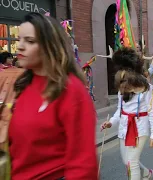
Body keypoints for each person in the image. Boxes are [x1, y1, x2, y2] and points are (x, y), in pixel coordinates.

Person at [8, 13, 98, 179]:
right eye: (19, 39)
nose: (19, 46)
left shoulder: (70, 89)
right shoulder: (23, 85)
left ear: (50, 46)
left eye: (30, 41)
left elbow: (83, 163)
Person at [101, 48, 153, 180]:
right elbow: (120, 110)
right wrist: (111, 123)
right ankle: (145, 173)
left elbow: (152, 111)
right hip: (124, 128)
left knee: (131, 162)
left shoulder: (146, 88)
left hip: (140, 128)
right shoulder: (121, 88)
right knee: (126, 160)